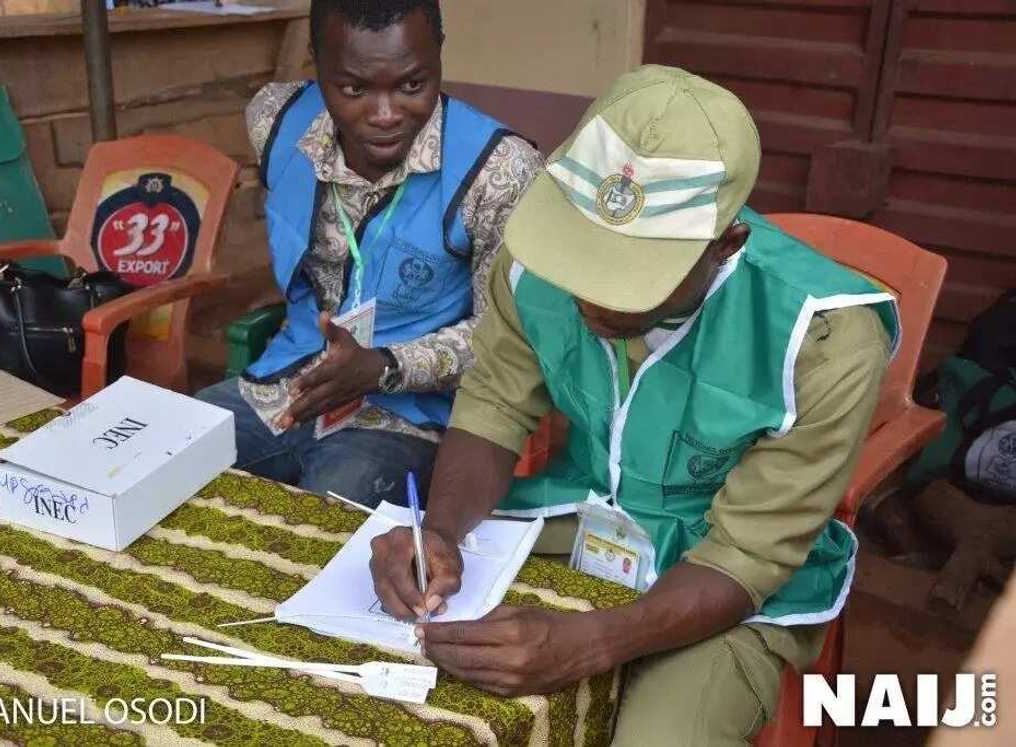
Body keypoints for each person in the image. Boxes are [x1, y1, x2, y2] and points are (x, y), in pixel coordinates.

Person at [369, 66, 899, 745]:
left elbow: (745, 557)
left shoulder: (824, 341)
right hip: (577, 516)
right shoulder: (535, 264)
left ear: (726, 246)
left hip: (724, 579)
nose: (591, 297)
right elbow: (494, 405)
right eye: (586, 258)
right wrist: (438, 532)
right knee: (393, 673)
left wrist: (589, 643)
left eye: (630, 279)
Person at [197, 0, 541, 506]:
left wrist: (384, 365)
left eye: (411, 85)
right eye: (354, 88)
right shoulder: (274, 122)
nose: (384, 115)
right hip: (282, 384)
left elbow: (507, 342)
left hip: (406, 415)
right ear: (317, 61)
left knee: (326, 534)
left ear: (438, 56)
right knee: (158, 455)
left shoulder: (500, 172)